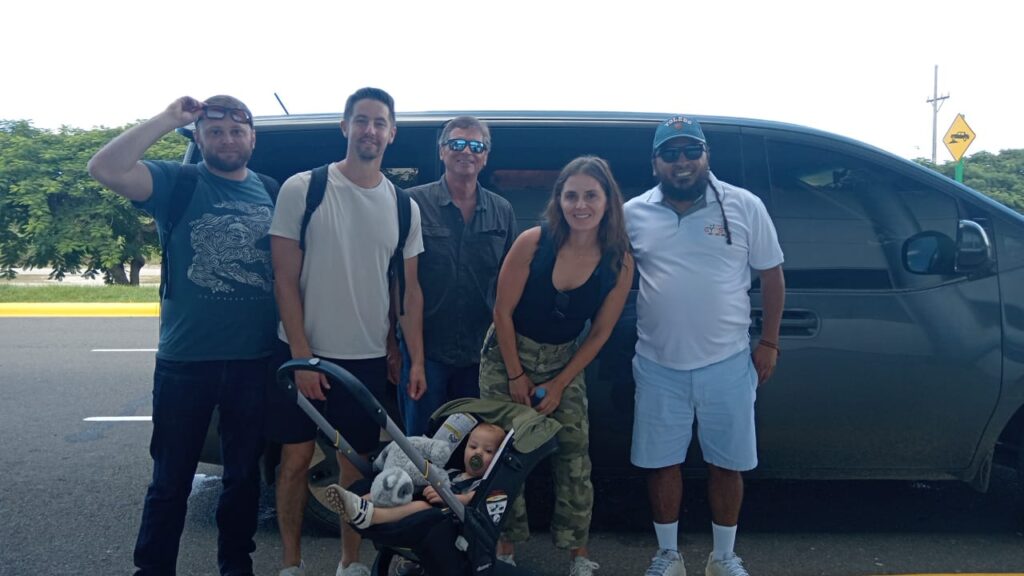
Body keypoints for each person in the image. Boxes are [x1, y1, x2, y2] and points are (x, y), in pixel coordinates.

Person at [87, 95, 278, 575]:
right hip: (186, 364)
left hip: (253, 360)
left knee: (243, 479)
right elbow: (104, 168)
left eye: (237, 131)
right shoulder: (179, 181)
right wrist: (169, 118)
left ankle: (236, 565)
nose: (227, 140)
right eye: (215, 132)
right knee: (170, 481)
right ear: (199, 138)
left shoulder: (271, 191)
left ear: (252, 138)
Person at [267, 87, 426, 576]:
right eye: (361, 120)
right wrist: (302, 357)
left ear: (392, 133)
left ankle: (349, 562)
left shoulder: (403, 206)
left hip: (366, 359)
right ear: (345, 127)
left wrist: (410, 355)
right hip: (303, 353)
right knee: (295, 461)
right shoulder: (304, 188)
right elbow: (284, 279)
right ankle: (291, 564)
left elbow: (407, 291)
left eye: (380, 122)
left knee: (354, 467)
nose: (370, 130)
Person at [625, 116, 785, 576]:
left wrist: (769, 341)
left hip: (728, 361)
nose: (682, 161)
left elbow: (772, 275)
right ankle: (668, 556)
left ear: (706, 156)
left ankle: (724, 558)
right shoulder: (632, 213)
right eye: (670, 153)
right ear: (655, 162)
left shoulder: (744, 205)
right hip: (657, 363)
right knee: (661, 464)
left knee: (727, 464)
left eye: (691, 151)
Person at [478, 156, 634, 576]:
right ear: (559, 200)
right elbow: (502, 312)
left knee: (573, 454)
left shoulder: (619, 261)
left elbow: (600, 332)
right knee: (503, 453)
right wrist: (516, 375)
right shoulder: (533, 243)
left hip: (565, 360)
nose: (580, 205)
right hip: (508, 354)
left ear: (608, 201)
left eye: (591, 196)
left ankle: (577, 553)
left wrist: (562, 383)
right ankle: (505, 545)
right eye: (571, 196)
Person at [399, 116, 517, 436]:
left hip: (481, 355)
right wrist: (407, 357)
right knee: (422, 443)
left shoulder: (502, 211)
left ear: (485, 157)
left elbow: (510, 287)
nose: (467, 151)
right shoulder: (412, 203)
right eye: (457, 143)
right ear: (442, 151)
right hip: (426, 352)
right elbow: (399, 283)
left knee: (474, 444)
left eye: (476, 146)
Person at [323, 423, 507, 527]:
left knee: (421, 505)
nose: (478, 453)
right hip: (429, 500)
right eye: (473, 447)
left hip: (448, 517)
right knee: (405, 487)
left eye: (488, 451)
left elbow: (473, 498)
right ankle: (358, 502)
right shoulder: (454, 473)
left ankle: (373, 516)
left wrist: (452, 498)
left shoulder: (483, 483)